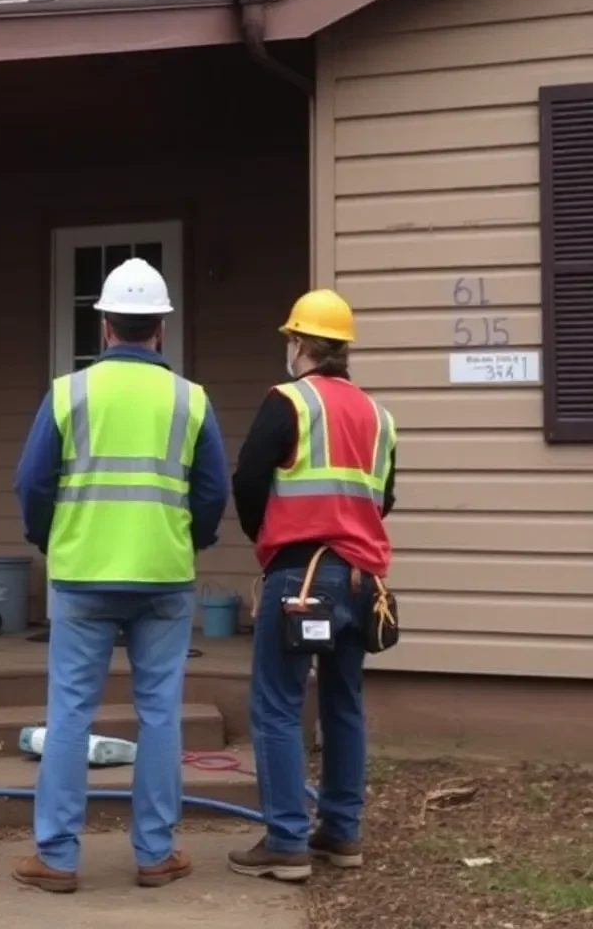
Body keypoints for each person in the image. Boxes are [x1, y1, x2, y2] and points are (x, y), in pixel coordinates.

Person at [11, 257, 229, 894]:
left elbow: (30, 483)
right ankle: (155, 854)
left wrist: (50, 539)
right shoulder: (190, 400)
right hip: (163, 576)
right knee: (160, 715)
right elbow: (213, 491)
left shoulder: (68, 393)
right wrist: (192, 541)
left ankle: (56, 859)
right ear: (160, 329)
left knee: (70, 713)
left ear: (104, 324)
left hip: (81, 576)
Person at [227, 288, 396, 882]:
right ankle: (341, 834)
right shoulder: (379, 416)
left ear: (299, 343)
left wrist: (270, 541)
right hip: (361, 578)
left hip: (301, 574)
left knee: (275, 705)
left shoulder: (289, 402)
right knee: (344, 703)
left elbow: (247, 480)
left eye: (290, 340)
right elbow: (386, 497)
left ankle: (285, 841)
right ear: (343, 349)